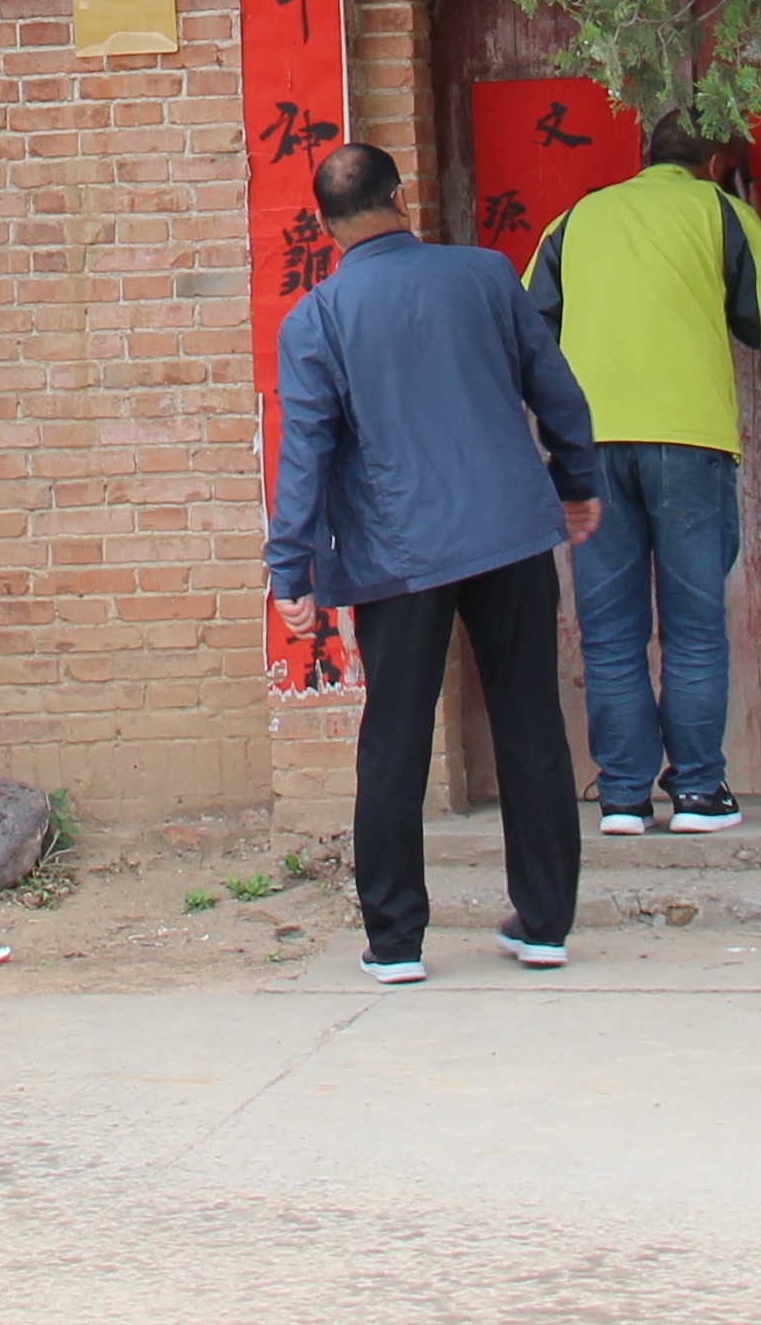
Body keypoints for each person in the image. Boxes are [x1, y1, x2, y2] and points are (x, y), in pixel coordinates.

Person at [264, 138, 601, 982]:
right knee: (530, 724)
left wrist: (290, 570)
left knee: (395, 741)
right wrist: (578, 479)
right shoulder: (487, 276)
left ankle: (396, 941)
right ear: (401, 197)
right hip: (510, 532)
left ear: (326, 224)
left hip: (398, 552)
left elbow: (303, 450)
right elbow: (555, 386)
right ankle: (545, 924)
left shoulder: (317, 320)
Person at [527, 129, 761, 834]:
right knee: (694, 629)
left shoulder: (577, 218)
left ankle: (621, 796)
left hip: (591, 445)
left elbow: (528, 327)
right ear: (715, 165)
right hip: (689, 441)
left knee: (609, 631)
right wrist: (746, 211)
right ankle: (700, 794)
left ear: (643, 155)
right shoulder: (720, 210)